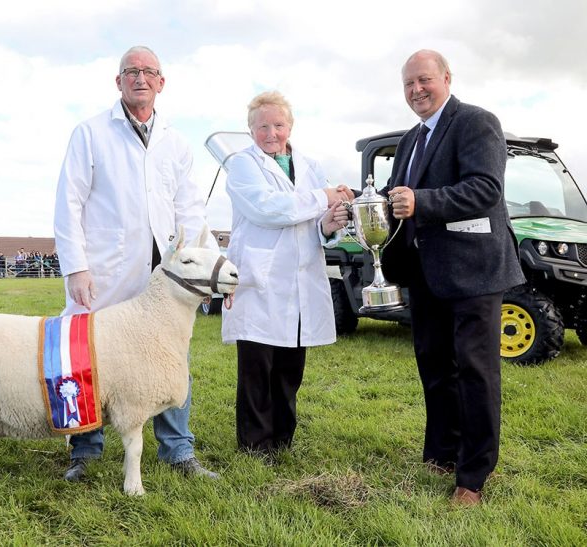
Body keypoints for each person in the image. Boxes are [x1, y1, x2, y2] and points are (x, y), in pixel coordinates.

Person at [54, 45, 219, 482]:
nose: (140, 78)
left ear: (161, 82)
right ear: (119, 81)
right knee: (88, 352)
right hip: (105, 268)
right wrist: (75, 265)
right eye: (131, 71)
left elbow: (191, 210)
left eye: (149, 72)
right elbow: (68, 202)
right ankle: (85, 452)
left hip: (166, 276)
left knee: (170, 355)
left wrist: (208, 267)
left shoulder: (176, 142)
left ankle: (178, 450)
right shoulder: (90, 133)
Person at [382, 50, 525, 505]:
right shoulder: (409, 140)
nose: (416, 90)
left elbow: (486, 188)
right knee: (434, 365)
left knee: (475, 373)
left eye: (423, 80)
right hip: (425, 273)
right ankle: (442, 452)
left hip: (475, 272)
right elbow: (396, 194)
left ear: (446, 77)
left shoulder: (476, 122)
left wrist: (421, 201)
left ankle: (473, 477)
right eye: (408, 84)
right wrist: (364, 199)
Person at [222, 91, 352, 459]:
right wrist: (324, 197)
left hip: (301, 278)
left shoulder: (310, 167)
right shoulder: (242, 166)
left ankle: (282, 439)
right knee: (257, 368)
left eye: (278, 125)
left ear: (290, 126)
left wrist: (329, 223)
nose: (271, 133)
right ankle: (254, 445)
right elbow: (268, 209)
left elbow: (316, 226)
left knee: (289, 367)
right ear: (250, 130)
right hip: (259, 279)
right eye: (262, 126)